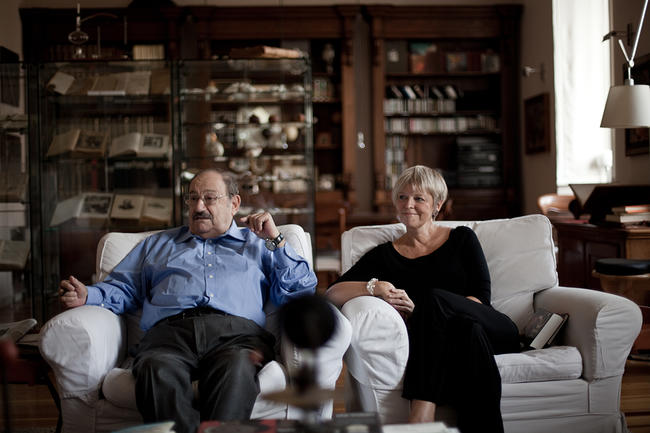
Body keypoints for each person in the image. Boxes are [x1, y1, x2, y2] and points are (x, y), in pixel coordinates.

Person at [59, 168, 317, 433]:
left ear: (234, 203)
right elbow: (124, 288)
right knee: (155, 369)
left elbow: (300, 293)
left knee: (237, 368)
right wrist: (89, 295)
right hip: (168, 337)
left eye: (209, 198)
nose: (198, 207)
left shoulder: (259, 243)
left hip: (237, 337)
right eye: (193, 198)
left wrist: (276, 240)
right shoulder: (157, 244)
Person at [325, 165, 520, 433]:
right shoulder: (384, 256)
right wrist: (376, 286)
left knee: (434, 300)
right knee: (467, 332)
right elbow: (333, 292)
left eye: (419, 198)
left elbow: (480, 300)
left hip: (496, 330)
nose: (408, 205)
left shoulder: (462, 238)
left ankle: (420, 416)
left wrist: (424, 311)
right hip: (463, 340)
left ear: (437, 205)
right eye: (402, 197)